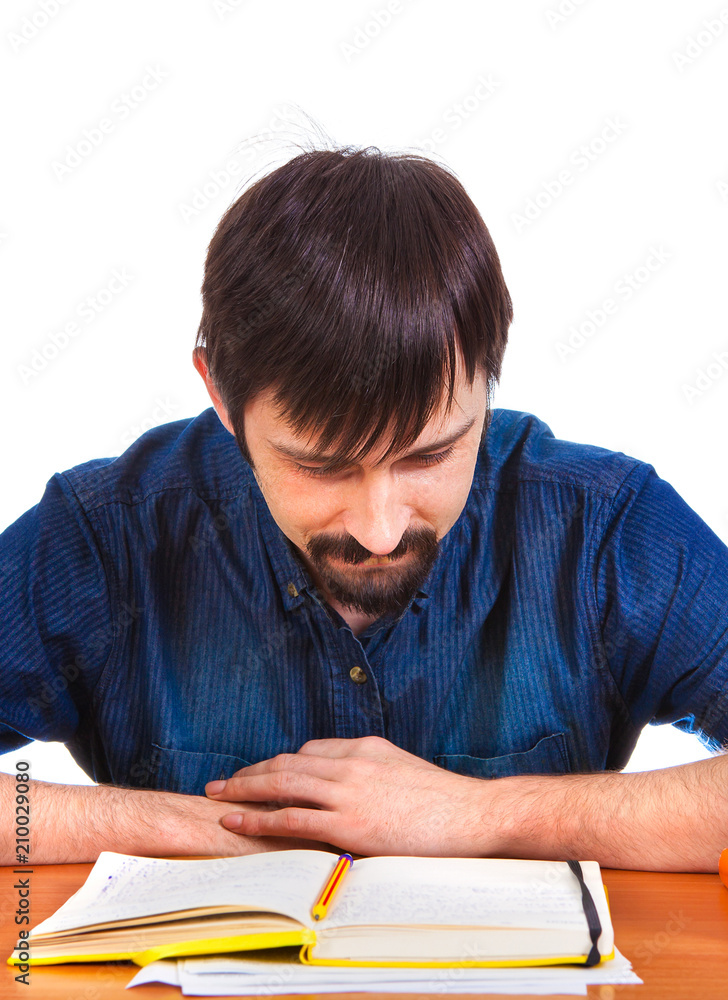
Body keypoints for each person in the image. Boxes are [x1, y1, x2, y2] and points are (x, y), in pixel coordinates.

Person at [1, 147, 726, 871]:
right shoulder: (105, 535)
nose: (379, 530)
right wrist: (185, 828)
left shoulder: (605, 528)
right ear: (222, 397)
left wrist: (474, 814)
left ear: (487, 383)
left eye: (430, 456)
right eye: (319, 466)